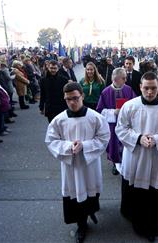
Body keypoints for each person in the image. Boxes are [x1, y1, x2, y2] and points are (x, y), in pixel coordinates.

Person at [115, 72, 158, 241]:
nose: (150, 92)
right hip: (134, 154)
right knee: (133, 189)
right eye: (146, 88)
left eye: (153, 88)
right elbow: (121, 128)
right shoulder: (130, 106)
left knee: (152, 193)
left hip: (155, 157)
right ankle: (131, 214)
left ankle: (150, 228)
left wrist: (157, 140)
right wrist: (138, 138)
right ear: (140, 87)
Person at [45, 82, 110, 243]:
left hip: (90, 164)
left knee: (91, 191)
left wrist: (85, 145)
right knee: (76, 194)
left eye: (75, 98)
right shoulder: (59, 120)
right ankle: (82, 225)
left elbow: (103, 138)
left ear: (83, 96)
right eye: (68, 99)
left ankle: (91, 211)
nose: (72, 102)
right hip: (71, 166)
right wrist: (68, 147)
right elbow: (51, 141)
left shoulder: (95, 117)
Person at [96, 67, 136, 175]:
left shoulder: (128, 89)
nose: (125, 80)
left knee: (126, 143)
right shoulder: (106, 92)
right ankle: (115, 163)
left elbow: (135, 105)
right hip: (112, 125)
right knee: (114, 144)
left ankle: (127, 162)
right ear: (115, 79)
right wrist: (114, 112)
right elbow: (100, 111)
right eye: (123, 78)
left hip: (126, 124)